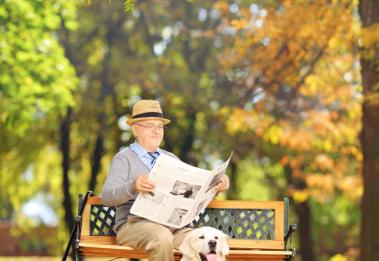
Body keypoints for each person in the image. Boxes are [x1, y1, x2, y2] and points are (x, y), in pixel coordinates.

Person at [101, 99, 230, 261]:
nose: (156, 131)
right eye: (150, 126)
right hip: (133, 226)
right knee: (161, 238)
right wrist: (133, 186)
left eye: (160, 126)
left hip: (173, 227)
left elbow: (190, 195)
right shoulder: (124, 159)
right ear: (135, 129)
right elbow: (106, 197)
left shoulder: (171, 158)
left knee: (200, 241)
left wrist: (214, 188)